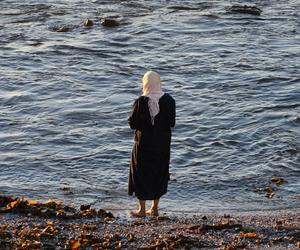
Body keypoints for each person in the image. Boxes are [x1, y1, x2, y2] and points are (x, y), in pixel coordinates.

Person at [128, 71, 176, 217]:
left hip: (143, 144)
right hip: (162, 144)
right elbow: (172, 123)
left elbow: (133, 124)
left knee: (140, 173)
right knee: (159, 172)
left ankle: (142, 210)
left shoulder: (140, 101)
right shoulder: (169, 100)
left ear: (146, 83)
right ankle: (154, 208)